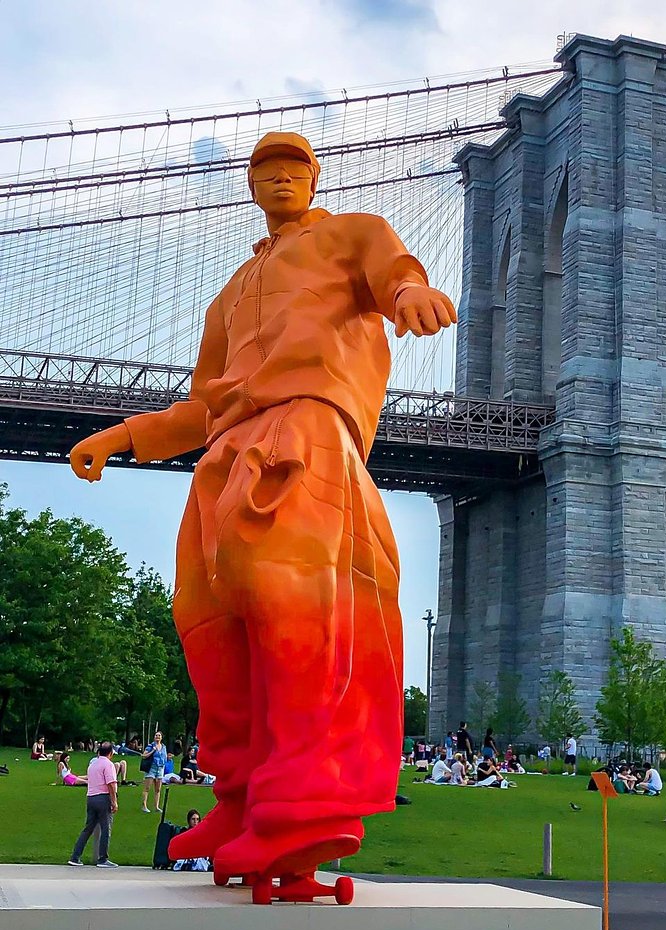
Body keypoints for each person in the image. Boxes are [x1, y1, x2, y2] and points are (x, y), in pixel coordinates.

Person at [69, 130, 456, 880]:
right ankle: (243, 797)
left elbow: (393, 274)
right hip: (225, 455)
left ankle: (305, 807)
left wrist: (410, 292)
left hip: (305, 428)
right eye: (266, 171)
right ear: (251, 185)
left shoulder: (353, 235)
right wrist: (121, 436)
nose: (280, 179)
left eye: (293, 170)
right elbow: (201, 407)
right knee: (206, 614)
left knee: (287, 602)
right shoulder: (228, 298)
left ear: (314, 181)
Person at [67, 741, 119, 869]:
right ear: (111, 753)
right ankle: (103, 859)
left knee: (88, 828)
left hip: (91, 797)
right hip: (103, 797)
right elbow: (111, 784)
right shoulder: (108, 765)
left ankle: (75, 856)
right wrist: (114, 801)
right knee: (106, 829)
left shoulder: (93, 765)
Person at [141, 731, 167, 812]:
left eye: (159, 735)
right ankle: (144, 805)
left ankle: (156, 806)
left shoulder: (163, 747)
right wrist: (152, 750)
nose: (157, 737)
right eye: (156, 735)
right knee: (147, 788)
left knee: (158, 789)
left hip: (160, 769)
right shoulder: (150, 746)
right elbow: (144, 756)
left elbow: (165, 757)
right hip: (152, 768)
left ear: (161, 737)